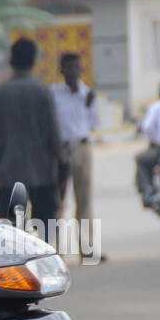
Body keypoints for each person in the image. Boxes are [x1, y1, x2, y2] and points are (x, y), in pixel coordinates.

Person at [0, 38, 61, 237]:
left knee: (11, 226)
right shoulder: (42, 90)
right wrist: (59, 160)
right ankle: (44, 260)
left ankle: (15, 264)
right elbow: (52, 131)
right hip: (41, 169)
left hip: (8, 170)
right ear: (33, 61)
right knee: (45, 223)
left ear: (11, 60)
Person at [51, 53, 99, 222]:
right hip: (60, 149)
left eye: (76, 67)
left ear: (81, 70)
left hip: (81, 147)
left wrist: (86, 105)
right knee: (56, 197)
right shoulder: (53, 94)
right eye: (69, 68)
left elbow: (94, 124)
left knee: (84, 198)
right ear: (62, 71)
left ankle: (87, 246)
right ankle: (52, 244)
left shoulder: (88, 95)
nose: (73, 72)